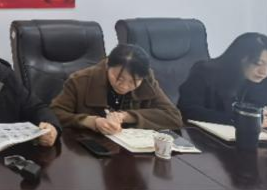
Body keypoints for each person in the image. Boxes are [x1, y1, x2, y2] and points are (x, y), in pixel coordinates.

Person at [51, 44, 182, 133]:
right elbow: (55, 113)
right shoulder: (80, 80)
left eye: (134, 81)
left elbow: (173, 117)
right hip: (88, 150)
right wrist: (92, 121)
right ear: (108, 64)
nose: (124, 86)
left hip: (133, 152)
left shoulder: (147, 80)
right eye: (118, 78)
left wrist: (126, 116)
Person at [178, 33, 267, 128]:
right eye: (257, 63)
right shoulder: (206, 72)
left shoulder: (265, 83)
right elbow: (189, 111)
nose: (264, 72)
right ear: (239, 58)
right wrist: (243, 120)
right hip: (204, 138)